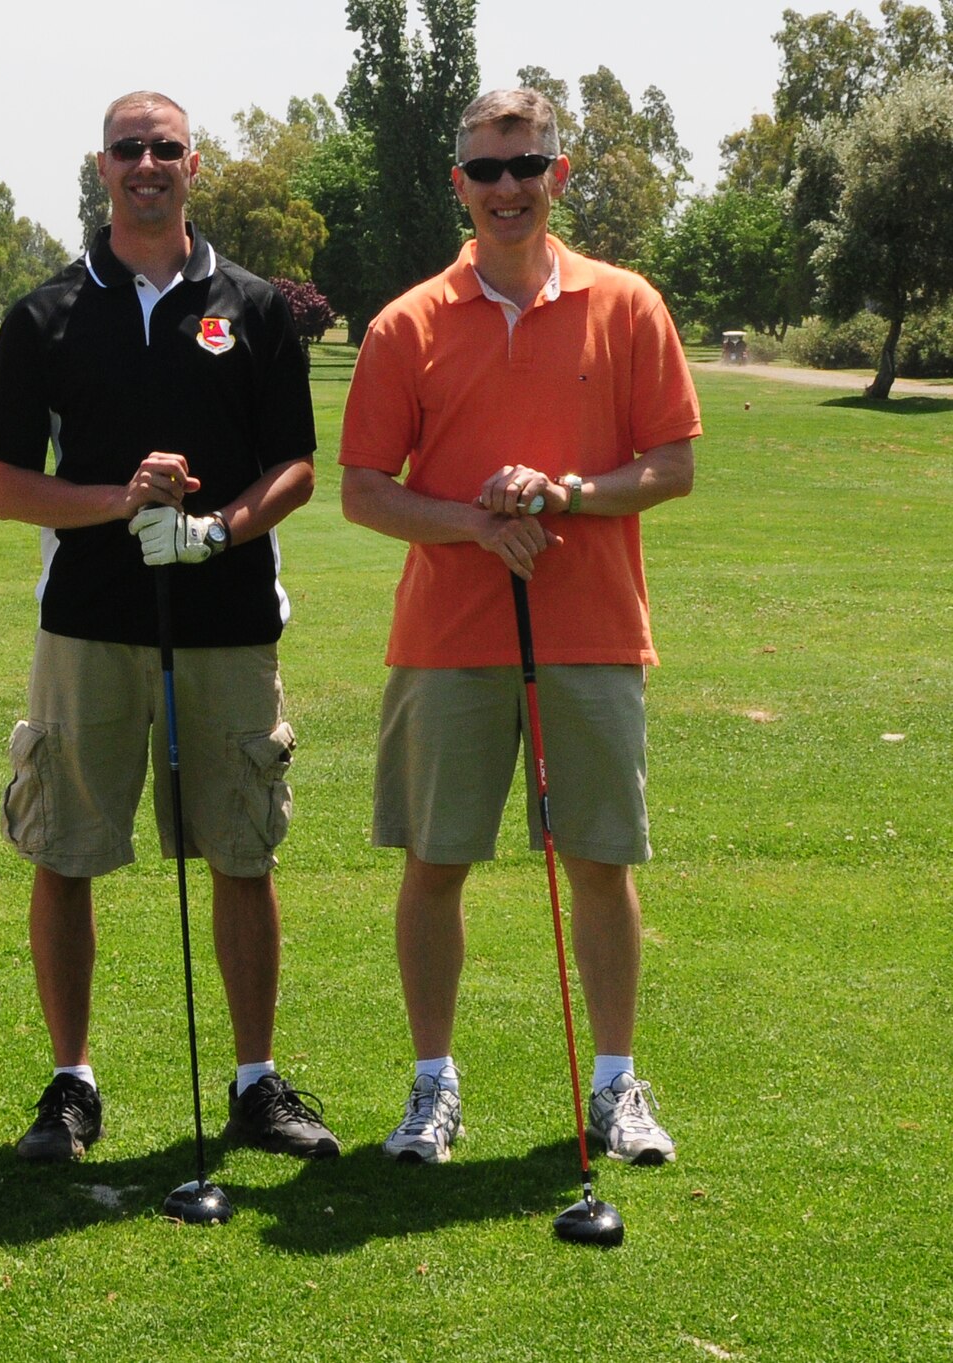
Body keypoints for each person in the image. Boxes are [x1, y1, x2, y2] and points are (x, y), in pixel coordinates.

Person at [338, 87, 698, 1167]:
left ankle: (614, 1086)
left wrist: (567, 493)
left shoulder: (626, 303)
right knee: (435, 862)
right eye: (485, 170)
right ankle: (430, 1087)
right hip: (446, 638)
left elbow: (670, 465)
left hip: (589, 631)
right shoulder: (405, 323)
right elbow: (361, 489)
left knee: (597, 860)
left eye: (524, 165)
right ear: (457, 182)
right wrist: (473, 524)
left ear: (557, 174)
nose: (506, 189)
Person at [0, 90, 333, 1164]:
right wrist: (119, 503)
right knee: (66, 852)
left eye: (163, 147)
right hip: (85, 624)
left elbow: (294, 466)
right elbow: (3, 484)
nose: (145, 164)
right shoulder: (44, 313)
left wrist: (219, 529)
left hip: (225, 620)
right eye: (127, 148)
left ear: (192, 164)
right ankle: (71, 1084)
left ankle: (255, 1081)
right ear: (100, 166)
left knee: (238, 850)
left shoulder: (255, 305)